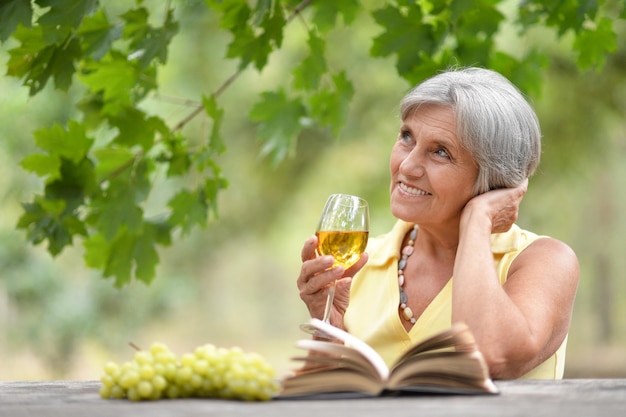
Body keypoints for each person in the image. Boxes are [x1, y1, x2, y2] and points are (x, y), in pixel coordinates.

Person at [296, 67, 579, 380]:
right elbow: (318, 400)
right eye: (407, 137)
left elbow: (490, 358)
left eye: (440, 152)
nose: (407, 165)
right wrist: (329, 334)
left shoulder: (543, 261)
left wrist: (477, 219)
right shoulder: (358, 265)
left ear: (494, 179)